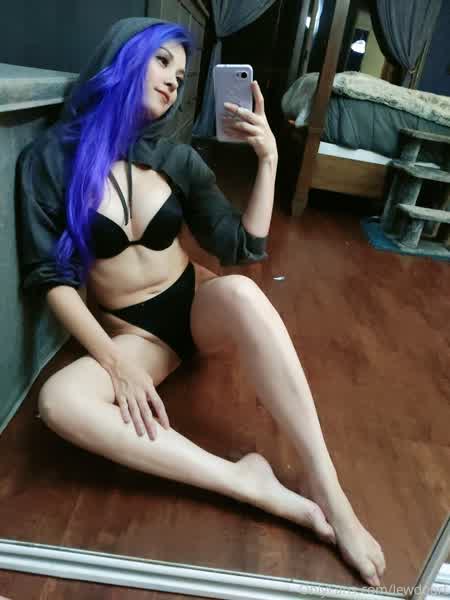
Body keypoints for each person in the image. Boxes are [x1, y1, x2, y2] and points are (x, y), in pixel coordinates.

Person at [18, 18, 385, 587]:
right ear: (125, 57)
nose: (174, 80)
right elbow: (51, 278)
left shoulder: (176, 159)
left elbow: (241, 248)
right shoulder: (48, 161)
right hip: (138, 339)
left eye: (182, 73)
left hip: (195, 304)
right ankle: (244, 483)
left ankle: (328, 488)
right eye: (163, 61)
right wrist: (113, 362)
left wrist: (268, 160)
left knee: (239, 289)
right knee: (59, 401)